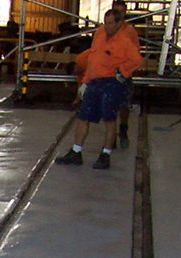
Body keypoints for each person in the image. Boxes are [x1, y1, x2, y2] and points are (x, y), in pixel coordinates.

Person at [55, 9, 142, 170]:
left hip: (111, 83)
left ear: (118, 23)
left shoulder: (124, 41)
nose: (106, 26)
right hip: (94, 82)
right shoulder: (99, 35)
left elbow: (137, 60)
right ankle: (76, 151)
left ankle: (105, 154)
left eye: (110, 23)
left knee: (109, 119)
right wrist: (85, 81)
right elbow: (93, 60)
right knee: (83, 116)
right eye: (105, 22)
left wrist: (122, 72)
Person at [109, 0, 140, 147]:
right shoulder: (105, 30)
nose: (119, 14)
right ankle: (111, 136)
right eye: (116, 11)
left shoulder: (130, 32)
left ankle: (123, 129)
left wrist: (125, 71)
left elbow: (135, 55)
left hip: (124, 74)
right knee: (109, 105)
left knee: (124, 105)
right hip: (108, 73)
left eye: (121, 11)